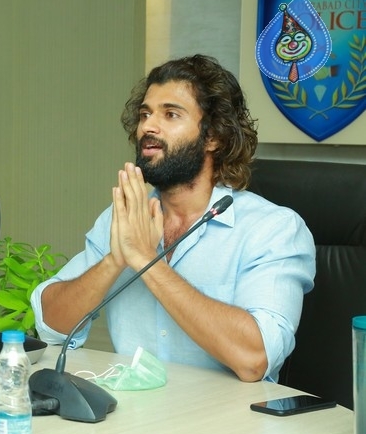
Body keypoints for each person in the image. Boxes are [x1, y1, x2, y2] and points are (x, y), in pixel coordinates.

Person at [31, 54, 315, 383]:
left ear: (214, 137)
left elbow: (255, 358)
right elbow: (51, 326)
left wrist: (148, 261)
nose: (149, 126)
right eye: (145, 114)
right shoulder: (127, 217)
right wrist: (115, 260)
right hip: (136, 420)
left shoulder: (272, 229)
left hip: (231, 427)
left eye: (171, 114)